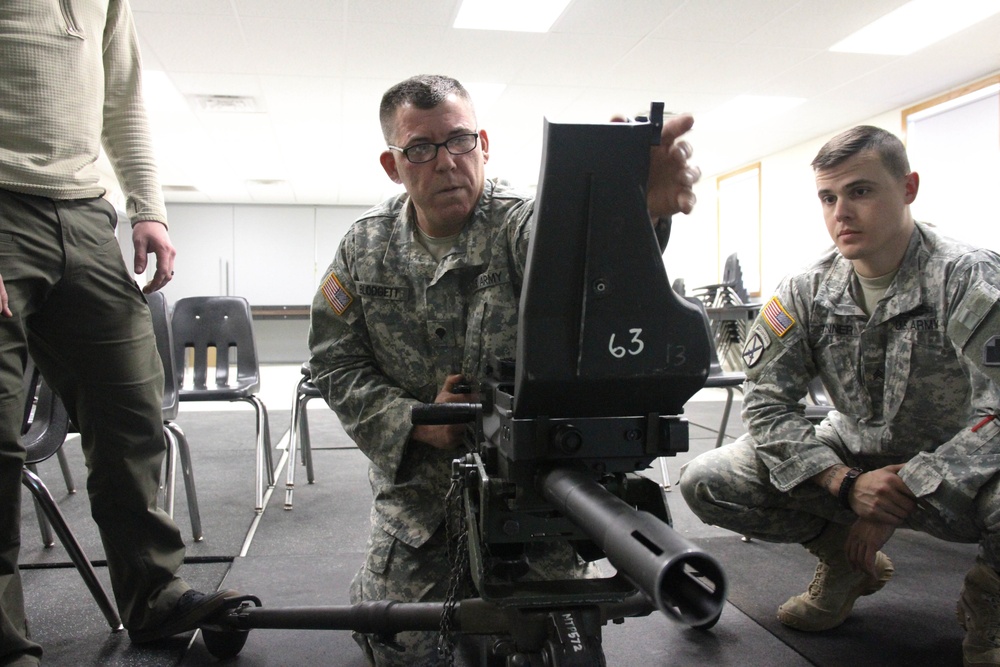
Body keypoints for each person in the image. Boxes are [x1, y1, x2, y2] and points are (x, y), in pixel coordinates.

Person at [308, 74, 700, 666]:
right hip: (420, 500)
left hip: (528, 494)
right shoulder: (364, 248)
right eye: (421, 148)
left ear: (483, 145)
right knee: (405, 646)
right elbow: (334, 362)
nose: (446, 163)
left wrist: (627, 204)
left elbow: (567, 247)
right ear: (394, 165)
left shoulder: (519, 224)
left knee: (542, 641)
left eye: (459, 141)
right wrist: (413, 420)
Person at [679, 125, 1000, 665]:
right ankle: (846, 561)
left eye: (861, 191)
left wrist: (901, 489)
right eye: (828, 198)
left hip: (957, 471)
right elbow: (766, 403)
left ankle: (987, 603)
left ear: (908, 188)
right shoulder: (806, 289)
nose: (840, 213)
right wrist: (844, 484)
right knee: (707, 481)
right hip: (852, 459)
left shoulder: (967, 277)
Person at [0, 2, 245, 664]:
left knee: (131, 410)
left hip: (82, 213)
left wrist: (148, 207)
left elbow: (124, 97)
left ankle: (155, 595)